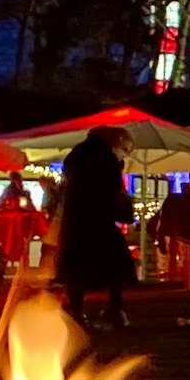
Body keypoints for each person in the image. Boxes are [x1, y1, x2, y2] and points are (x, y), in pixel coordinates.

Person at [57, 126, 136, 327]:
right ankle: (114, 309)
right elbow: (110, 192)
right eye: (125, 150)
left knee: (77, 268)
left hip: (76, 219)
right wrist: (123, 210)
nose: (124, 155)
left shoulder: (78, 154)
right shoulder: (107, 160)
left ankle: (78, 312)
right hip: (98, 219)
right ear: (117, 143)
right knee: (118, 264)